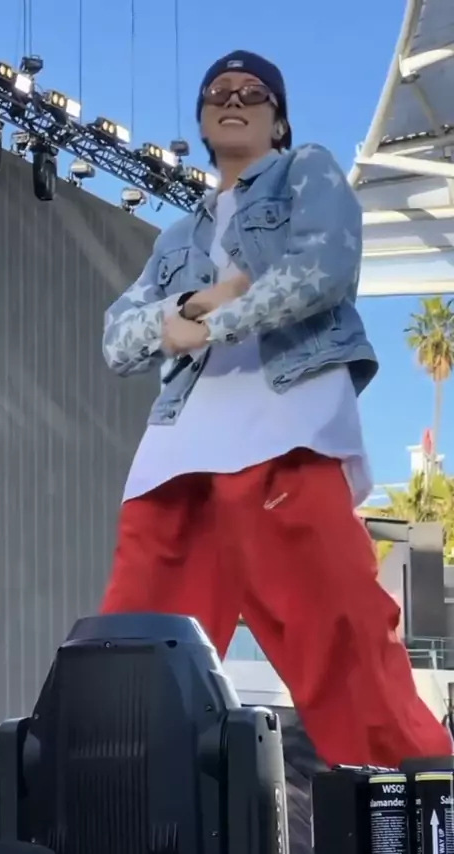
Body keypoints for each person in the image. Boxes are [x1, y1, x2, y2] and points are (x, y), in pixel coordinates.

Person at [100, 50, 451, 766]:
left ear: (279, 119)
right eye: (218, 92)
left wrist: (213, 325)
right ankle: (122, 810)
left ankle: (415, 801)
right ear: (202, 121)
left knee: (340, 644)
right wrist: (198, 303)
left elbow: (322, 270)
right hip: (173, 461)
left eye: (253, 91)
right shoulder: (176, 238)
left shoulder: (306, 173)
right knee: (134, 666)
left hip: (285, 436)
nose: (234, 99)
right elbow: (116, 340)